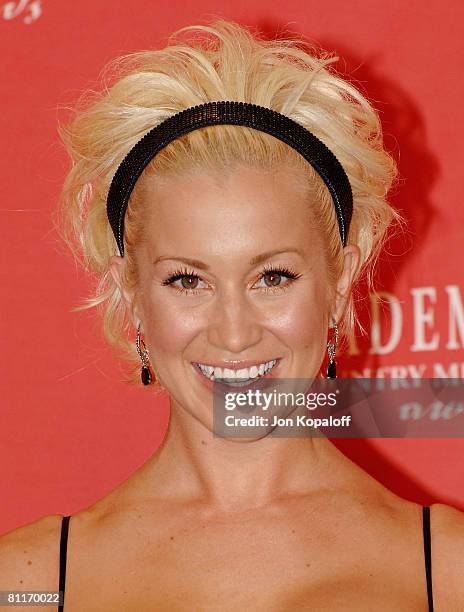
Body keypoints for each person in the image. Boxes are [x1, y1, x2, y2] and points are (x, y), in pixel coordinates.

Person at [1, 18, 463, 612]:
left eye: (273, 278)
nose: (235, 333)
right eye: (187, 281)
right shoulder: (31, 582)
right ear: (131, 293)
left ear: (341, 283)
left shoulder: (445, 571)